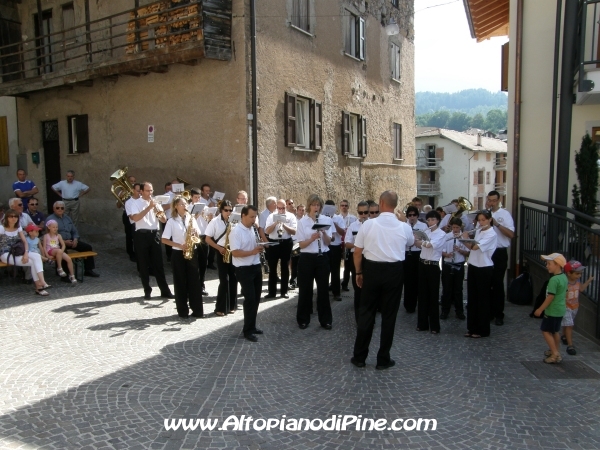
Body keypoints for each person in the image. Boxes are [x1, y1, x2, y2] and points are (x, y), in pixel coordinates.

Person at [351, 191, 413, 370]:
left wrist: (358, 272)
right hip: (394, 271)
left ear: (380, 203)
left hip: (372, 270)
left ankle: (360, 357)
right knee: (389, 316)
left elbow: (357, 251)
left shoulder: (369, 224)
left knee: (366, 313)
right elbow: (409, 243)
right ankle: (383, 358)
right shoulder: (404, 226)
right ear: (395, 205)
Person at [161, 195, 205, 319]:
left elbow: (198, 235)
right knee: (180, 282)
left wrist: (195, 233)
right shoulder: (171, 221)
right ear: (176, 206)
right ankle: (183, 311)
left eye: (186, 204)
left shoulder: (191, 218)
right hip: (178, 253)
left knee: (194, 282)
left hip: (192, 251)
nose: (185, 206)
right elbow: (164, 239)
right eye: (182, 204)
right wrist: (179, 245)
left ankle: (197, 310)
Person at [127, 182, 173, 300]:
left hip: (155, 234)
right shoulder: (134, 203)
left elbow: (163, 220)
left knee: (159, 264)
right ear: (141, 191)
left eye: (151, 190)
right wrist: (149, 207)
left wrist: (159, 210)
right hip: (141, 235)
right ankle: (147, 290)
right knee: (143, 264)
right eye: (147, 191)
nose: (150, 193)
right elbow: (135, 218)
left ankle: (165, 290)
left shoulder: (155, 203)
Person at [296, 194, 333, 330]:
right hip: (307, 258)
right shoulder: (302, 222)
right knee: (305, 289)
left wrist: (323, 233)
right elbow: (301, 245)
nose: (316, 207)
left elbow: (329, 242)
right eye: (313, 205)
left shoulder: (326, 220)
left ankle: (325, 320)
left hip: (322, 256)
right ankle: (303, 319)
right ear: (309, 206)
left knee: (323, 289)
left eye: (318, 205)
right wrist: (312, 238)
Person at [229, 205, 266, 342]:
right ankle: (247, 330)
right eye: (251, 217)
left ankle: (252, 325)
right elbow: (235, 252)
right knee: (250, 299)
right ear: (243, 216)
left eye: (255, 217)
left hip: (255, 266)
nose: (253, 219)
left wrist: (260, 247)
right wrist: (252, 252)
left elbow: (253, 246)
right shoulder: (236, 231)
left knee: (256, 298)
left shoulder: (253, 229)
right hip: (243, 269)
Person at [462, 210, 497, 338]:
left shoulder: (491, 234)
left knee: (482, 300)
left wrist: (464, 238)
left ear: (489, 220)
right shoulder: (478, 230)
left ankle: (482, 330)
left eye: (484, 220)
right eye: (479, 220)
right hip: (473, 266)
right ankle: (471, 328)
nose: (481, 222)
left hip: (484, 268)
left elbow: (475, 247)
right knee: (472, 299)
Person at [0, 210, 50, 295]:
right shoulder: (1, 228)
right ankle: (39, 287)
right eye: (11, 216)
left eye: (15, 216)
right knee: (33, 262)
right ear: (7, 218)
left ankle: (42, 282)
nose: (13, 218)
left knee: (36, 257)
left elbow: (25, 242)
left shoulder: (18, 227)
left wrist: (26, 253)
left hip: (18, 251)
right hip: (6, 253)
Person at [46, 201, 99, 278]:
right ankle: (66, 274)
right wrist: (63, 242)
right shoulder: (50, 219)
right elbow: (50, 235)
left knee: (88, 247)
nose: (60, 209)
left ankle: (88, 270)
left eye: (62, 208)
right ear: (54, 209)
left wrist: (75, 239)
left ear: (64, 209)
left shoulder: (67, 218)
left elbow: (74, 231)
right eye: (57, 208)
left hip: (71, 240)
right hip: (58, 243)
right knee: (62, 252)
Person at [414, 210, 446, 334]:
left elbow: (430, 245)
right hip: (422, 264)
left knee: (433, 296)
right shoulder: (425, 232)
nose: (430, 222)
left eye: (432, 219)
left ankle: (434, 326)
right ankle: (422, 324)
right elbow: (419, 245)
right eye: (428, 220)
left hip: (432, 266)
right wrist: (416, 239)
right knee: (422, 295)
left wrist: (421, 242)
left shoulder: (441, 234)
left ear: (437, 220)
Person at [487, 190, 515, 326]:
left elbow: (511, 234)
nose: (491, 203)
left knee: (497, 283)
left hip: (499, 252)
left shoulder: (505, 214)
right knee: (487, 283)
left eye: (493, 200)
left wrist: (497, 224)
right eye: (489, 200)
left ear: (498, 200)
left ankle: (499, 314)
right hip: (486, 252)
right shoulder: (485, 214)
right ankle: (489, 312)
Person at [205, 200, 238, 315]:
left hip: (232, 250)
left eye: (230, 210)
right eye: (226, 210)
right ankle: (220, 308)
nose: (228, 212)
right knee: (224, 280)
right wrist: (219, 249)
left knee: (234, 278)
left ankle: (232, 305)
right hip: (221, 250)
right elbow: (207, 238)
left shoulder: (234, 221)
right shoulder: (214, 222)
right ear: (221, 210)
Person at [534, 253, 568, 364]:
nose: (547, 266)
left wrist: (540, 309)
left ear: (557, 265)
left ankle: (555, 354)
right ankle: (555, 350)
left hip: (552, 310)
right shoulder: (564, 277)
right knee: (555, 331)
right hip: (560, 309)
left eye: (549, 264)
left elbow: (550, 297)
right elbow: (566, 293)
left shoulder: (553, 280)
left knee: (545, 331)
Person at [264, 199, 297, 299]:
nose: (281, 210)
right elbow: (267, 231)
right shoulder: (271, 216)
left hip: (286, 242)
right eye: (279, 208)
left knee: (284, 267)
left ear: (286, 207)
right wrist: (275, 223)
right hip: (274, 243)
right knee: (272, 268)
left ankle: (284, 291)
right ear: (276, 207)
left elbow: (294, 231)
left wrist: (284, 224)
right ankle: (272, 292)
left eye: (283, 208)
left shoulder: (291, 216)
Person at [560, 260, 594, 356]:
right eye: (577, 273)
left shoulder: (577, 281)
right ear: (569, 273)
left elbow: (581, 289)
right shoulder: (565, 282)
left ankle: (564, 336)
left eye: (580, 274)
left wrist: (589, 280)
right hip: (566, 307)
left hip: (575, 306)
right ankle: (570, 346)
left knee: (568, 324)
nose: (579, 276)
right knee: (570, 325)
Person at [344, 201, 369, 323]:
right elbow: (347, 243)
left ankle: (369, 318)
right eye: (361, 212)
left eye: (365, 212)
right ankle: (359, 319)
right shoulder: (353, 226)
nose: (363, 215)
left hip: (370, 259)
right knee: (358, 289)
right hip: (357, 257)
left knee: (369, 290)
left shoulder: (374, 225)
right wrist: (358, 245)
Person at [440, 218, 469, 320]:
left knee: (458, 289)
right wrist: (447, 254)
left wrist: (460, 250)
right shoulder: (447, 236)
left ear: (460, 227)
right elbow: (441, 250)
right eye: (453, 227)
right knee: (447, 289)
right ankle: (445, 311)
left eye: (457, 227)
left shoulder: (464, 237)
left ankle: (459, 311)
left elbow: (468, 252)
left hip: (459, 264)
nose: (455, 229)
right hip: (448, 264)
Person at [403, 205, 427, 313]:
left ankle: (419, 302)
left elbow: (427, 239)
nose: (412, 217)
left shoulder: (423, 225)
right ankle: (409, 305)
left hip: (418, 253)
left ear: (417, 215)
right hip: (406, 254)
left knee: (418, 279)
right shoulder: (403, 225)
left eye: (414, 215)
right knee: (408, 280)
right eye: (409, 215)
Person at [324, 200, 346, 301]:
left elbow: (342, 233)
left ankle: (336, 292)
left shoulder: (339, 218)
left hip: (335, 246)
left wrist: (333, 223)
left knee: (335, 271)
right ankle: (324, 291)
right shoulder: (322, 218)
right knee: (324, 270)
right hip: (326, 246)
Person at [190, 187, 210, 296]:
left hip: (203, 236)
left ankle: (202, 285)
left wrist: (209, 216)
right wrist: (195, 216)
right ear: (191, 197)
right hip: (193, 236)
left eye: (199, 197)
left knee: (203, 262)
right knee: (194, 262)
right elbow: (189, 222)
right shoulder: (188, 207)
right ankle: (193, 285)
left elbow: (208, 221)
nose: (197, 200)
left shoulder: (205, 207)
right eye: (195, 197)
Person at [339, 199, 357, 292]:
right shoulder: (337, 218)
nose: (344, 207)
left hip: (349, 244)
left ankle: (345, 283)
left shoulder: (353, 218)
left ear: (348, 207)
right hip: (339, 243)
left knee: (348, 265)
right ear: (340, 207)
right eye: (342, 205)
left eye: (346, 205)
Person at [124, 183, 142, 263]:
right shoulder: (129, 202)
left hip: (145, 225)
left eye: (141, 191)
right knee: (135, 241)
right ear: (133, 190)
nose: (140, 193)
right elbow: (132, 217)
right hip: (135, 224)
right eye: (138, 191)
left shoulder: (144, 200)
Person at [289, 203, 305, 289]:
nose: (301, 212)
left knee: (301, 263)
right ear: (297, 210)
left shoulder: (306, 220)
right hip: (294, 242)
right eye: (300, 210)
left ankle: (300, 281)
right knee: (294, 263)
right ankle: (293, 281)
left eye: (303, 210)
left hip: (303, 243)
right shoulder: (293, 219)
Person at [121, 175, 137, 262]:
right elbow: (118, 205)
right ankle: (131, 253)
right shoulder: (123, 191)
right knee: (129, 235)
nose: (133, 183)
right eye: (131, 181)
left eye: (134, 181)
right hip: (127, 215)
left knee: (136, 234)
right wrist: (122, 196)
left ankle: (138, 251)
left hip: (137, 215)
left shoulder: (138, 192)